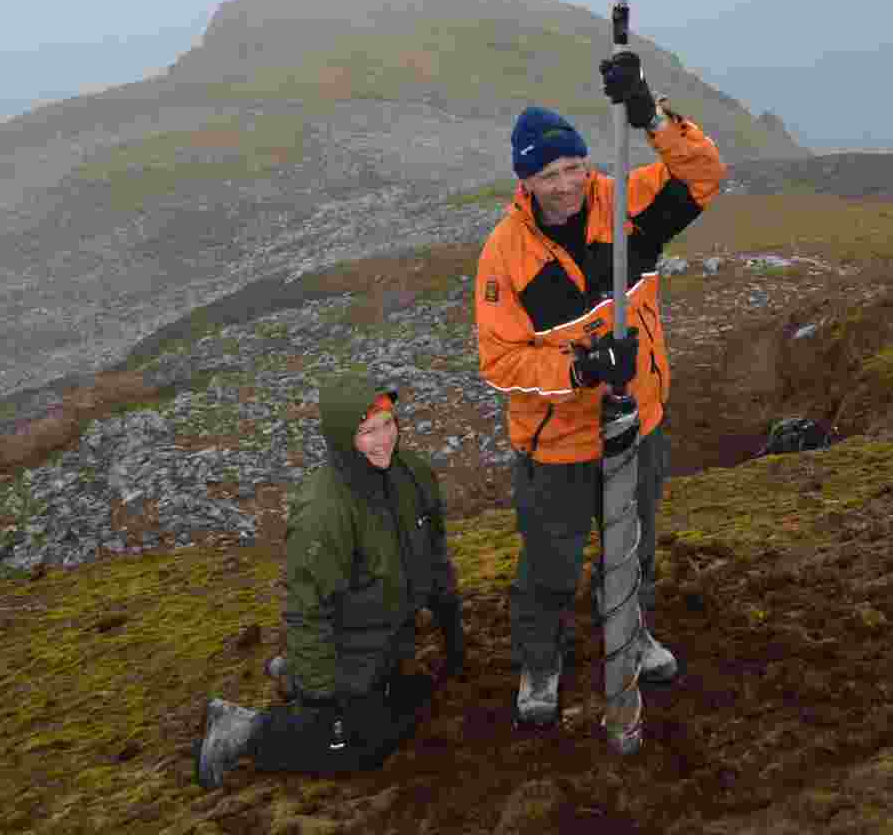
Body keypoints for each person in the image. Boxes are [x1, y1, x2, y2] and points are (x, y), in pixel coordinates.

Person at [476, 50, 726, 726]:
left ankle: (630, 633)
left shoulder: (625, 207)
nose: (567, 184)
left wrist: (649, 113)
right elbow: (500, 364)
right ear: (525, 180)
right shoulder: (506, 256)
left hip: (636, 423)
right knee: (551, 568)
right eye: (550, 174)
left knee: (635, 547)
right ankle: (541, 665)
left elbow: (704, 174)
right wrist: (580, 370)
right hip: (556, 445)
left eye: (575, 167)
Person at [196, 371, 465, 788]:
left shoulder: (410, 474)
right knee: (363, 747)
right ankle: (242, 731)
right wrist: (324, 698)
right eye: (367, 432)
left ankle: (293, 678)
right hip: (344, 645)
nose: (383, 440)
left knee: (414, 702)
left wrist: (452, 630)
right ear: (342, 437)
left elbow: (434, 555)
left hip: (385, 638)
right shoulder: (324, 509)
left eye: (388, 424)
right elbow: (307, 610)